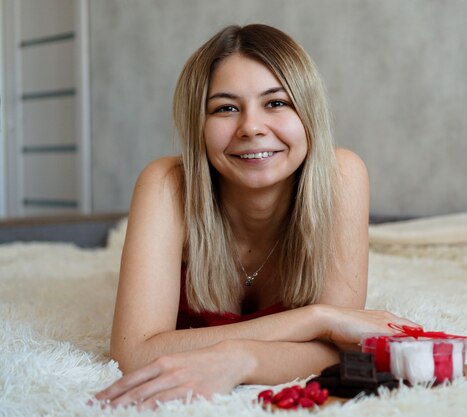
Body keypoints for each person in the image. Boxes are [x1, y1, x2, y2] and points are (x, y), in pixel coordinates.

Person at [94, 23, 414, 410]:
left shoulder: (342, 175)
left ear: (308, 113)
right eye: (226, 108)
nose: (251, 127)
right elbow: (133, 353)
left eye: (276, 103)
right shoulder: (165, 184)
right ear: (199, 125)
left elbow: (337, 349)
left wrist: (240, 359)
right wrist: (315, 319)